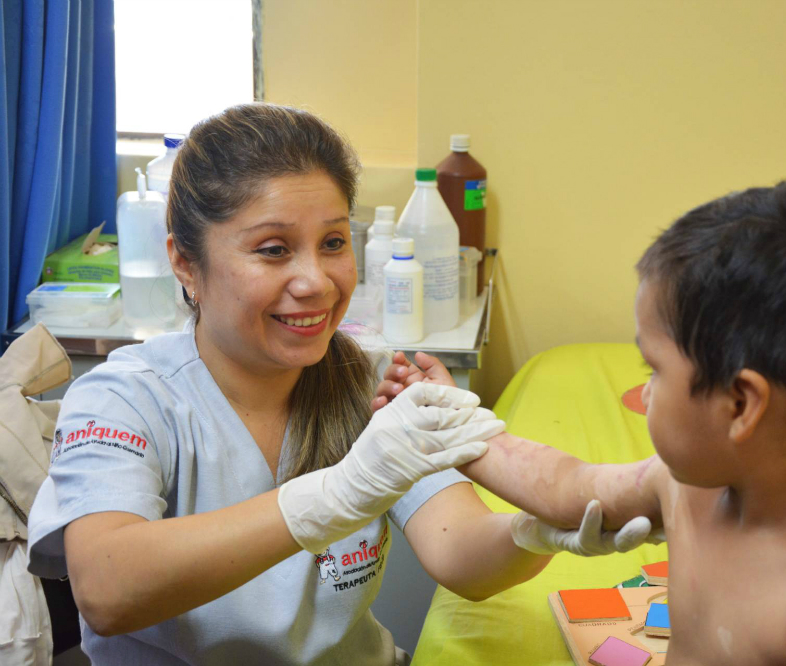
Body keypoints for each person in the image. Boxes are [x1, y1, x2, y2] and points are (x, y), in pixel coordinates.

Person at [25, 103, 651, 666]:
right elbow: (108, 590)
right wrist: (342, 491)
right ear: (186, 262)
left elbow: (460, 553)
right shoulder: (123, 399)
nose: (317, 282)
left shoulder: (368, 382)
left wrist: (533, 533)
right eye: (273, 250)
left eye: (332, 243)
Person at [378, 178, 786, 665]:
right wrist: (457, 428)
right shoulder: (693, 484)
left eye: (655, 369)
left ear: (741, 405)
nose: (643, 393)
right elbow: (569, 486)